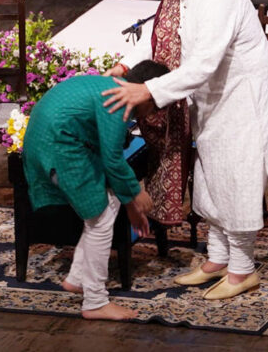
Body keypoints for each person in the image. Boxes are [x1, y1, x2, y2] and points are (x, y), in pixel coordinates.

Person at [102, 0, 268, 300]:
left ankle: (243, 270)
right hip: (213, 99)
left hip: (242, 102)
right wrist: (128, 69)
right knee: (211, 181)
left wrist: (149, 89)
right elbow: (163, 39)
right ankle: (218, 259)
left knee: (236, 184)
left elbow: (204, 63)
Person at [22, 61, 170, 321]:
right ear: (144, 92)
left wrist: (129, 204)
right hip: (57, 146)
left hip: (47, 141)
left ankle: (77, 277)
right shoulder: (119, 101)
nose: (150, 113)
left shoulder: (109, 85)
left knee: (107, 205)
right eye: (154, 104)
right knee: (101, 219)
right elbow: (112, 159)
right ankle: (95, 301)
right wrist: (136, 192)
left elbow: (106, 156)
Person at [105, 0, 237, 227]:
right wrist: (123, 66)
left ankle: (219, 226)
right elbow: (153, 39)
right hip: (171, 86)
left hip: (211, 92)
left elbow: (207, 58)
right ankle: (167, 216)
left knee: (216, 172)